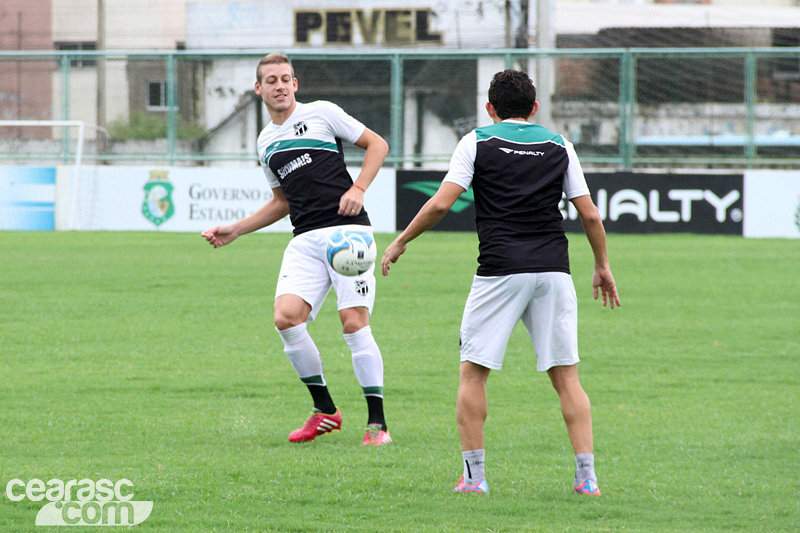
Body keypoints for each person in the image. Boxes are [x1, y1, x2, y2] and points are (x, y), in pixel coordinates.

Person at [381, 69, 620, 493]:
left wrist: (401, 241)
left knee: (473, 373)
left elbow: (440, 204)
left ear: (490, 109)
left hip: (499, 270)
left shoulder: (476, 141)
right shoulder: (559, 144)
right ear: (535, 108)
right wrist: (602, 266)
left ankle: (475, 480)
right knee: (567, 377)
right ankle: (588, 480)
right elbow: (590, 215)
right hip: (553, 271)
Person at [202, 53, 391, 446]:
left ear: (295, 84)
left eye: (285, 78)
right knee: (286, 319)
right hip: (304, 238)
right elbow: (281, 201)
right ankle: (325, 410)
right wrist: (236, 229)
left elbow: (377, 144)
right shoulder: (265, 142)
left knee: (354, 323)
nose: (280, 86)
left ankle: (378, 425)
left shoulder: (322, 113)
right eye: (270, 80)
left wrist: (358, 189)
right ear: (259, 89)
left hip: (347, 233)